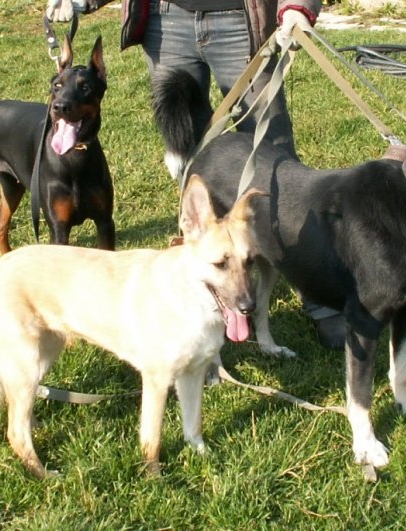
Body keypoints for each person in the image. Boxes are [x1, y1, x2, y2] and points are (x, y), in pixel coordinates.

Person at [46, 0, 346, 349]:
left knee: (279, 170)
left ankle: (321, 301)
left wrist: (298, 5)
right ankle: (203, 304)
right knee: (195, 182)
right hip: (166, 23)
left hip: (242, 22)